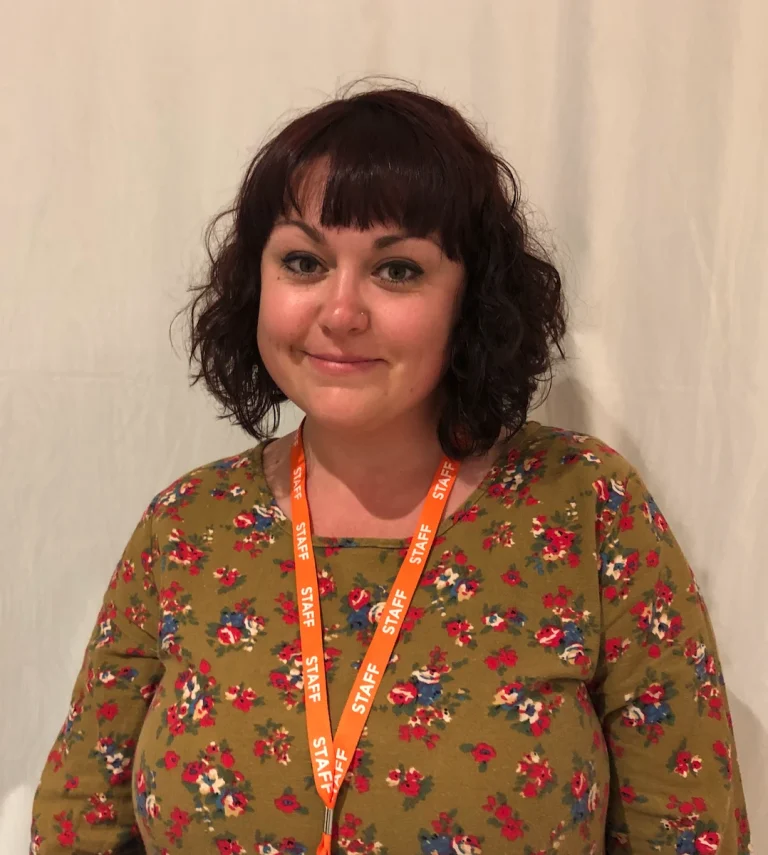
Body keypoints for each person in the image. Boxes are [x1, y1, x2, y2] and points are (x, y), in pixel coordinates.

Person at [30, 79, 752, 855]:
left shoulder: (584, 506)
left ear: (471, 298)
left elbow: (688, 833)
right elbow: (77, 822)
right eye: (303, 262)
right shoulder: (186, 527)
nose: (341, 312)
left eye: (397, 270)